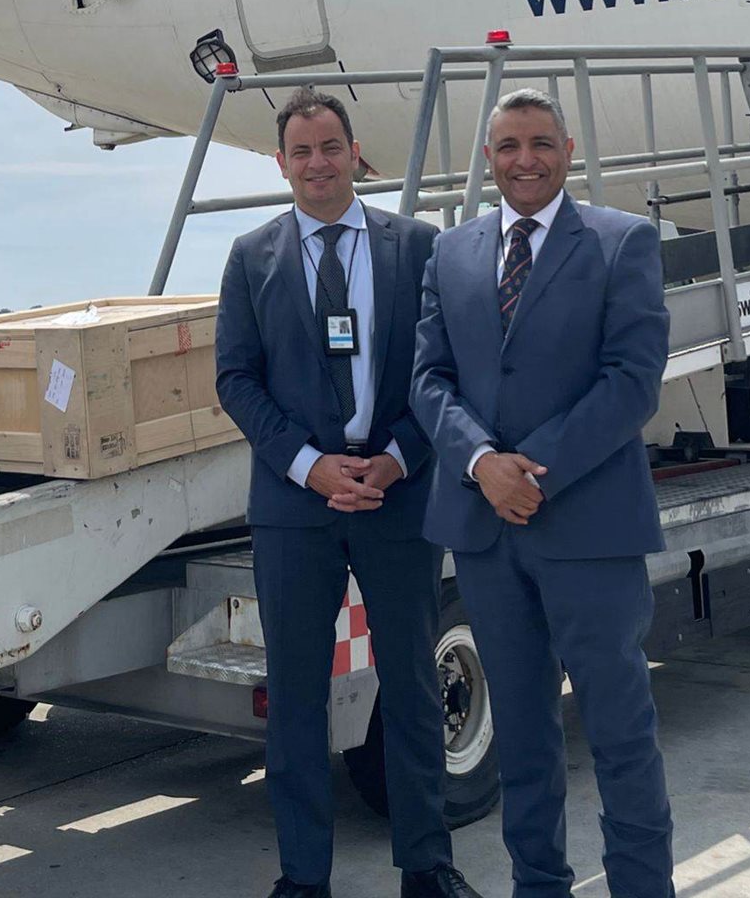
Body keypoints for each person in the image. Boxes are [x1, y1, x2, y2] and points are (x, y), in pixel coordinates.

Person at [216, 87, 481, 898]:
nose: (318, 164)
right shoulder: (251, 257)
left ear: (355, 153)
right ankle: (304, 877)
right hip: (296, 509)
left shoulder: (418, 248)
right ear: (281, 163)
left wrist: (398, 458)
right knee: (297, 698)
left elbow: (443, 370)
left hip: (397, 497)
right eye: (301, 151)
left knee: (412, 687)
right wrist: (309, 466)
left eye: (331, 147)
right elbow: (236, 378)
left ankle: (427, 868)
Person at [411, 89, 674, 898]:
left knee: (619, 730)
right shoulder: (450, 253)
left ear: (568, 150)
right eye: (508, 146)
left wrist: (533, 469)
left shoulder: (621, 242)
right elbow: (429, 378)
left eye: (540, 143)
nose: (525, 160)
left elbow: (632, 381)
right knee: (523, 737)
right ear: (489, 159)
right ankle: (538, 885)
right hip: (487, 532)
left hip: (589, 527)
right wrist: (480, 462)